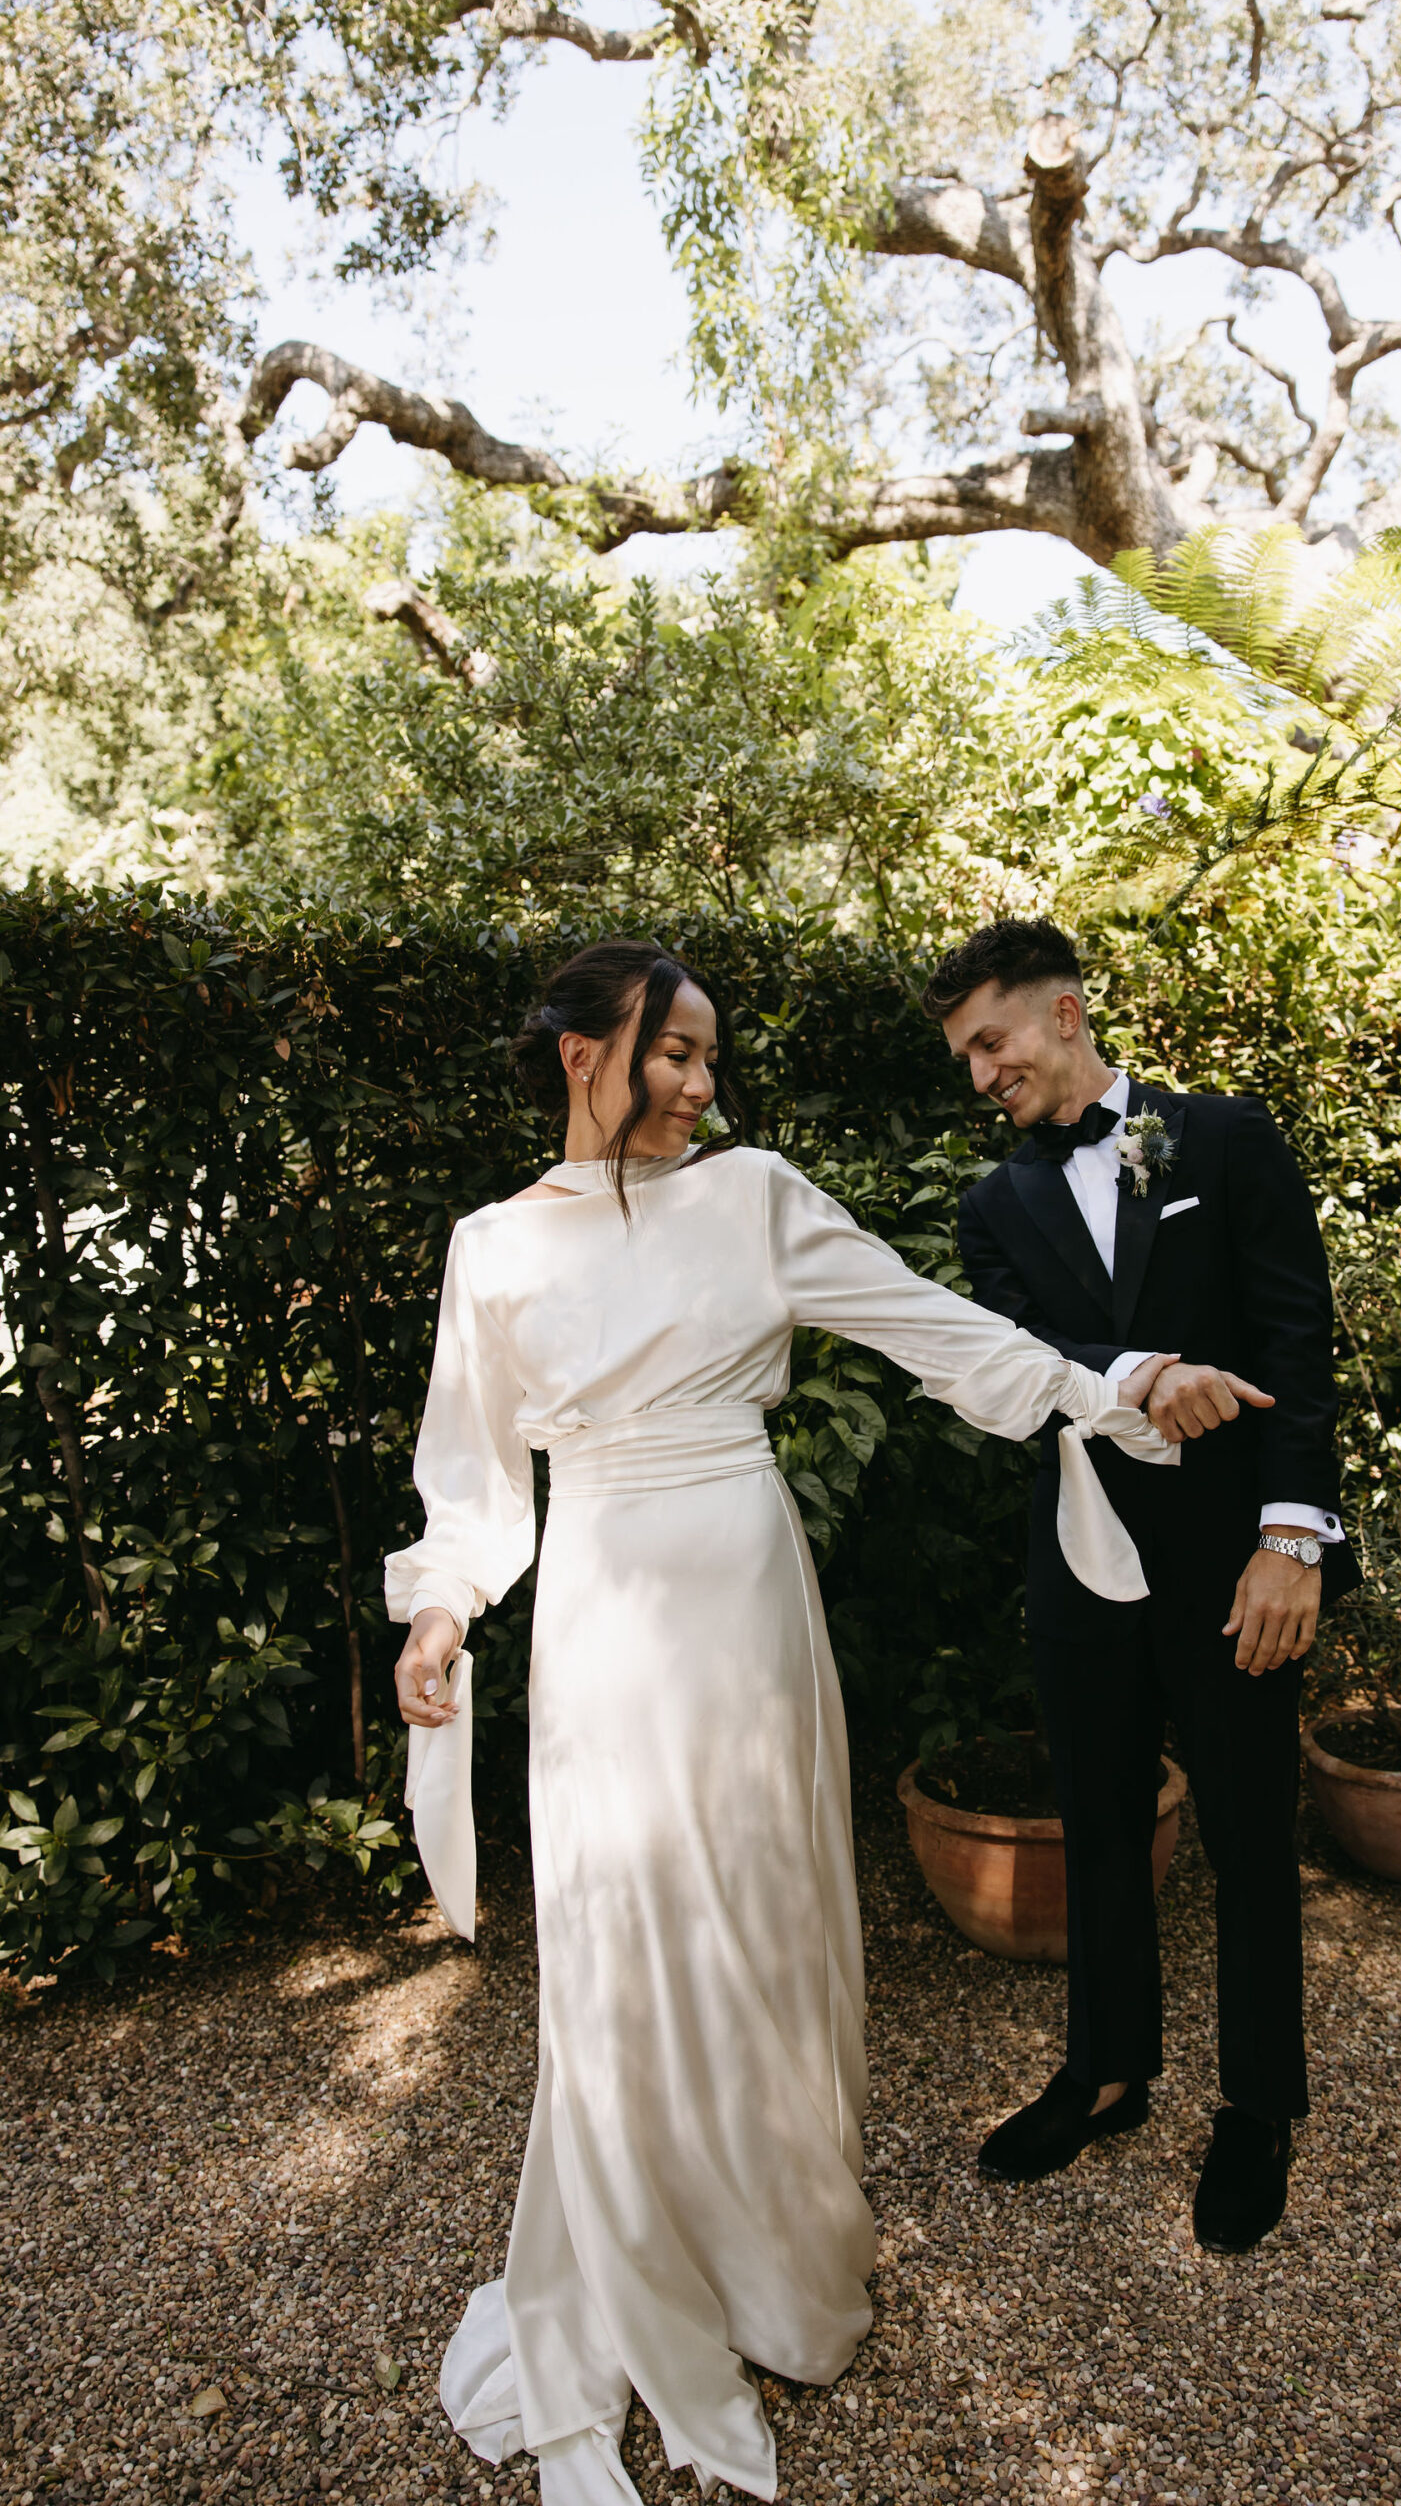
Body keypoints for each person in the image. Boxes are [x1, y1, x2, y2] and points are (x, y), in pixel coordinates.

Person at [386, 938, 1179, 2506]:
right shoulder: (491, 1248)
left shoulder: (756, 1197)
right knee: (618, 1932)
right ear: (579, 1051)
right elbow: (474, 1472)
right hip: (603, 1616)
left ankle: (769, 2266)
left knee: (757, 1916)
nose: (697, 1085)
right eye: (670, 1053)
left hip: (745, 1601)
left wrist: (1109, 1388)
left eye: (706, 1060)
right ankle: (628, 2260)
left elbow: (930, 1326)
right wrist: (441, 1604)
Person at [922, 918, 1357, 2253]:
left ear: (1064, 1012)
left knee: (1244, 1833)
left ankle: (1257, 2104)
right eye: (965, 1059)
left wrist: (1292, 1542)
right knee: (1096, 1821)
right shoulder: (991, 1208)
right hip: (1086, 1557)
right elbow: (1021, 1353)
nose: (982, 1074)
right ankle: (1106, 2072)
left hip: (1238, 1563)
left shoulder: (1220, 1139)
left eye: (991, 1041)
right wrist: (1141, 1373)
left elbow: (1297, 1332)